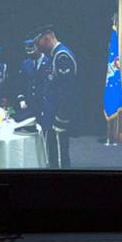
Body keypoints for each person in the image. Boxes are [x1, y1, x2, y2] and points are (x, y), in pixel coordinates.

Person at [31, 25, 78, 169]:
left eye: (38, 43)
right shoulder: (54, 55)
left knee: (59, 154)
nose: (37, 47)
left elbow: (67, 90)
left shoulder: (62, 56)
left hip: (58, 115)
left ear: (46, 38)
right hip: (51, 112)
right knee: (52, 151)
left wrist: (61, 117)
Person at [12, 38, 43, 134]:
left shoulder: (49, 62)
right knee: (30, 132)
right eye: (28, 51)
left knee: (45, 132)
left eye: (32, 51)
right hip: (30, 103)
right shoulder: (25, 63)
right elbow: (20, 83)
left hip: (44, 103)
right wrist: (21, 99)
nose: (30, 54)